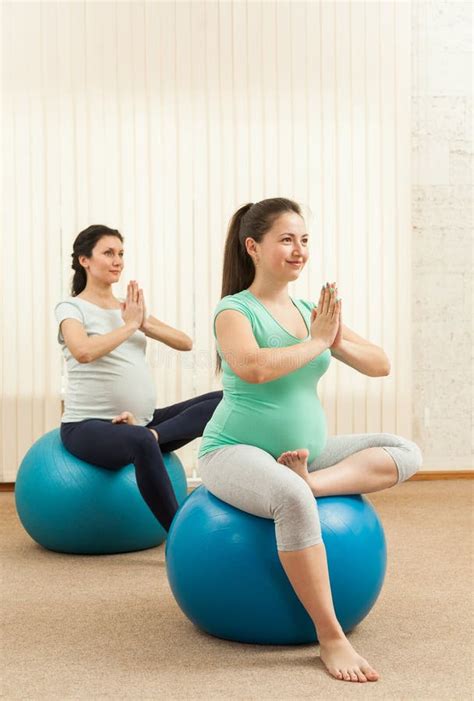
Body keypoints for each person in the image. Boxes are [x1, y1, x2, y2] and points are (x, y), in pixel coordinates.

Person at [197, 198, 422, 683]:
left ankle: (313, 483)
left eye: (304, 240)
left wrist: (334, 338)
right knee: (290, 497)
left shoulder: (310, 311)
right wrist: (318, 342)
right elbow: (253, 367)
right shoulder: (233, 310)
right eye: (286, 239)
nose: (299, 250)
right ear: (253, 247)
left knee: (405, 451)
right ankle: (331, 637)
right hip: (233, 451)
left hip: (307, 455)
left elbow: (380, 364)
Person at [55, 224, 222, 532]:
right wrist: (129, 326)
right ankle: (178, 533)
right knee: (142, 440)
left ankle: (155, 436)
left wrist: (143, 322)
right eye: (108, 253)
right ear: (84, 260)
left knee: (223, 401)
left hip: (139, 422)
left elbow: (185, 342)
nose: (117, 260)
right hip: (87, 426)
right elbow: (83, 351)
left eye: (120, 253)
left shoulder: (129, 310)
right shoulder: (71, 307)